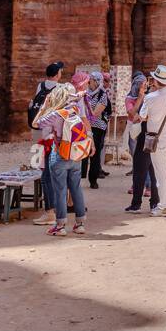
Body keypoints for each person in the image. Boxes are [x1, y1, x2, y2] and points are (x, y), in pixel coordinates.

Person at [32, 82, 93, 235]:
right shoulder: (75, 110)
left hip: (60, 154)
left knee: (59, 190)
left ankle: (60, 226)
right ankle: (79, 224)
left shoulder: (55, 114)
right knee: (76, 188)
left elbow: (35, 123)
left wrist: (44, 106)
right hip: (76, 154)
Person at [139, 65, 166, 217]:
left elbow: (142, 117)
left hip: (157, 139)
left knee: (161, 174)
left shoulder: (150, 98)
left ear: (156, 81)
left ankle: (164, 205)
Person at [32, 62, 67, 225]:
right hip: (53, 134)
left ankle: (50, 208)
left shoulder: (40, 87)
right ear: (58, 73)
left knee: (41, 168)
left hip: (39, 132)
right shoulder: (61, 89)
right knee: (52, 173)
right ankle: (53, 210)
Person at [124, 73, 160, 214]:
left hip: (147, 135)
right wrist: (141, 96)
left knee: (144, 170)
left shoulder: (152, 97)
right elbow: (133, 114)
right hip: (146, 135)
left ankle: (141, 204)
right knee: (148, 169)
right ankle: (150, 204)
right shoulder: (148, 97)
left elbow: (141, 117)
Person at [80, 71, 110, 189]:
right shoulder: (84, 93)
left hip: (97, 127)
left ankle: (93, 179)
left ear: (96, 82)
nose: (89, 82)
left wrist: (85, 106)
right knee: (82, 152)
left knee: (95, 153)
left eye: (91, 80)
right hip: (84, 127)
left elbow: (95, 114)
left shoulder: (102, 95)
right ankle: (80, 177)